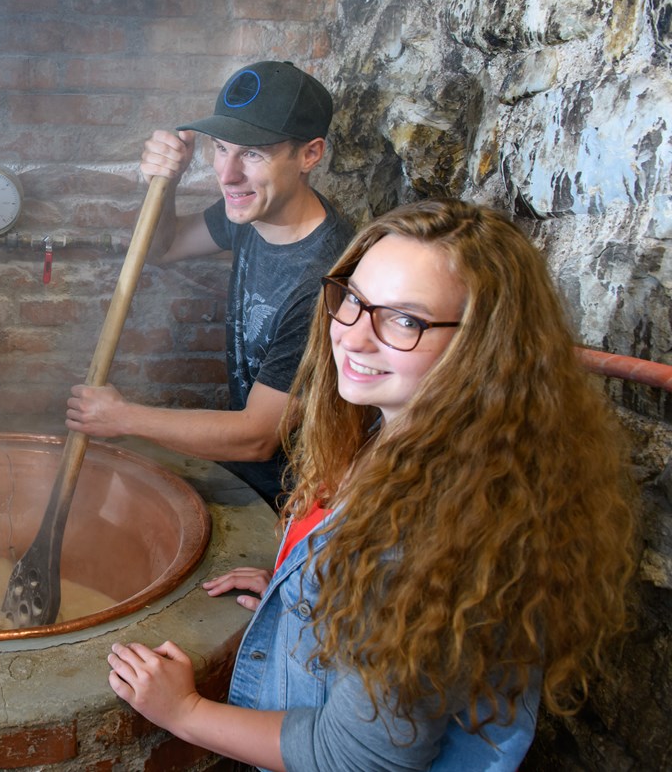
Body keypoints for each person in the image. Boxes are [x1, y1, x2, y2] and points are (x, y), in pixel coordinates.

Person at [106, 199, 638, 770]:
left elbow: (358, 756)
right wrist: (306, 595)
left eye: (405, 319)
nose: (354, 339)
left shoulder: (431, 536)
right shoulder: (409, 439)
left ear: (482, 348)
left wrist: (183, 711)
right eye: (354, 301)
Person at [66, 61, 354, 509]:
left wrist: (122, 417)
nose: (227, 174)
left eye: (253, 154)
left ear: (309, 155)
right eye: (221, 148)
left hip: (297, 501)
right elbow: (163, 246)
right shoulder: (257, 210)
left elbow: (257, 437)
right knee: (115, 496)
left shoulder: (323, 279)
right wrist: (168, 185)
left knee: (127, 500)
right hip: (253, 471)